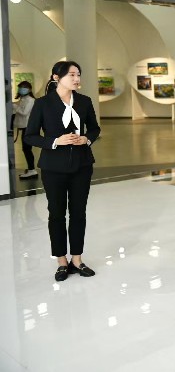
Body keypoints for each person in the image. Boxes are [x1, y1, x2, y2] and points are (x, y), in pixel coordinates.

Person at [24, 61, 101, 282]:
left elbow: (94, 128)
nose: (77, 79)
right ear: (56, 78)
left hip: (82, 165)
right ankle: (61, 261)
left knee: (78, 213)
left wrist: (86, 139)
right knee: (57, 214)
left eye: (78, 74)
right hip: (53, 167)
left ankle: (77, 259)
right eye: (72, 75)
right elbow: (30, 136)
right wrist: (55, 141)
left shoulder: (84, 101)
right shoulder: (43, 103)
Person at [13, 80, 37, 179]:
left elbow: (24, 112)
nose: (22, 89)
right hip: (24, 127)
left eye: (24, 87)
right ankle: (31, 169)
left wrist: (14, 106)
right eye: (21, 87)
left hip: (28, 127)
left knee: (27, 149)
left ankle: (32, 170)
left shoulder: (31, 100)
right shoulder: (22, 99)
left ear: (29, 89)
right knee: (26, 149)